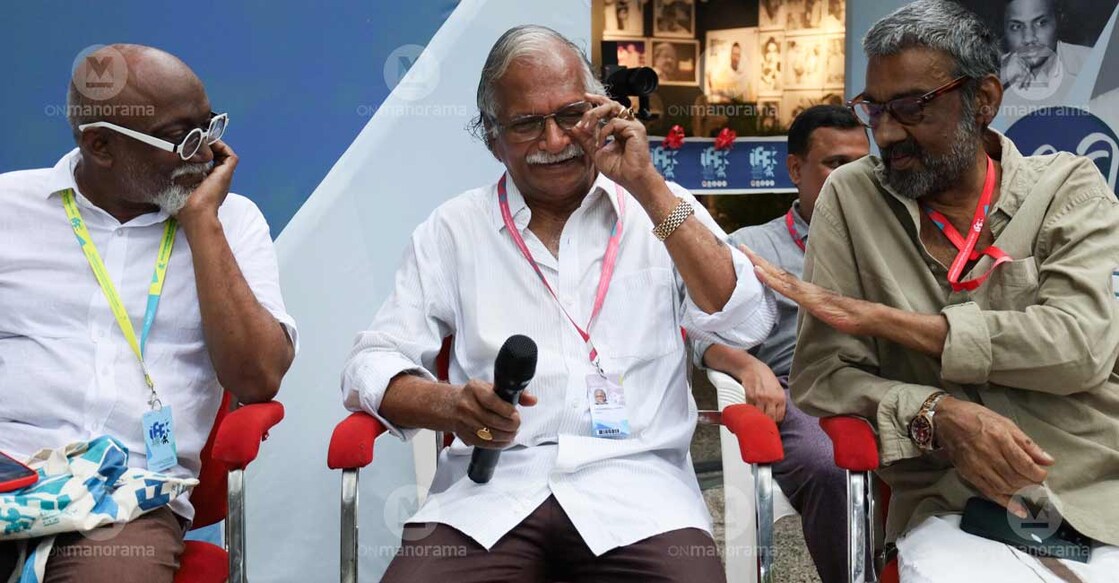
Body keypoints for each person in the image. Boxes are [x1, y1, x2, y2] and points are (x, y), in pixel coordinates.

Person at [340, 24, 776, 583]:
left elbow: (746, 322)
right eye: (526, 124)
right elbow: (370, 362)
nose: (553, 141)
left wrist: (648, 188)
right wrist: (449, 405)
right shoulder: (453, 229)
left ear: (602, 111)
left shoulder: (661, 206)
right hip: (491, 494)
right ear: (491, 137)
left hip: (638, 490)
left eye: (571, 114)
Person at [746, 2, 1119, 581]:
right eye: (874, 108)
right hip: (956, 504)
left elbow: (1082, 347)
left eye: (912, 107)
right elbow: (824, 375)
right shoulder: (852, 197)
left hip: (1093, 482)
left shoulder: (1066, 187)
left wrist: (884, 321)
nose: (888, 132)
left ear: (985, 100)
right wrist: (933, 411)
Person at [0, 44, 298, 582]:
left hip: (129, 498)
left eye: (210, 127)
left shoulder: (235, 220)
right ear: (102, 146)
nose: (206, 151)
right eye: (182, 138)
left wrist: (201, 222)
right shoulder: (7, 210)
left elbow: (258, 378)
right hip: (8, 473)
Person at [698, 105, 870, 583]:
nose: (853, 176)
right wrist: (748, 368)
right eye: (836, 163)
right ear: (796, 169)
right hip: (800, 389)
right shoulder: (753, 246)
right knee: (831, 466)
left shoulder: (891, 241)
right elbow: (699, 330)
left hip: (885, 384)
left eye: (862, 163)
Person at [999, 0, 1090, 107]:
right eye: (1016, 27)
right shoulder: (992, 78)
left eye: (1041, 23)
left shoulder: (1095, 64)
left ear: (1059, 19)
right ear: (1004, 30)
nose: (1028, 38)